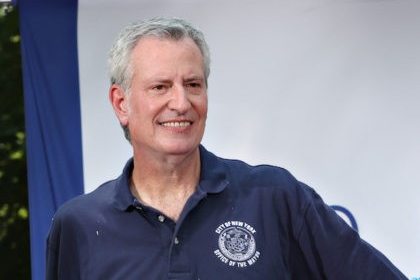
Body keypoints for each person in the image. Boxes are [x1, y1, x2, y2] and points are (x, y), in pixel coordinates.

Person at [46, 17, 407, 280]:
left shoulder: (275, 197)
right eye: (160, 87)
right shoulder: (78, 224)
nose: (181, 102)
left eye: (193, 83)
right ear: (121, 103)